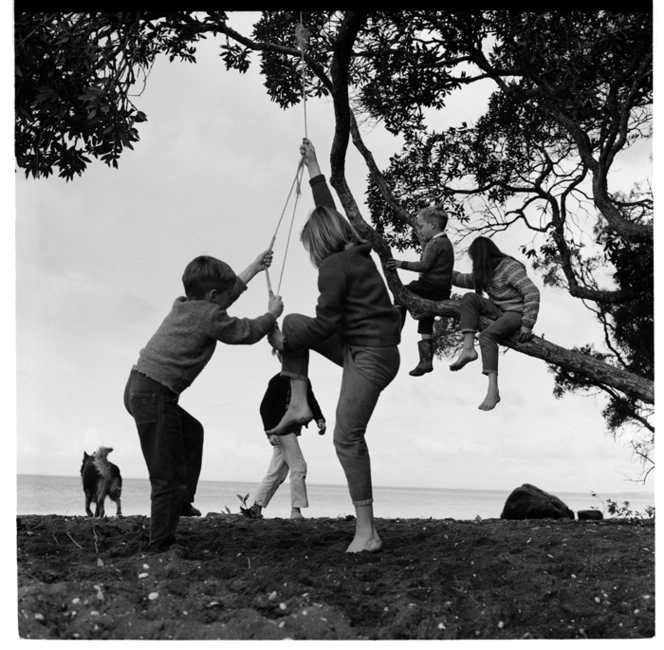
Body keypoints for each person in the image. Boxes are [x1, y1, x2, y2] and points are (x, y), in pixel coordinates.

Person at [266, 138, 401, 553]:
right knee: (292, 319)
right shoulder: (355, 252)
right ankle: (300, 402)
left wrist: (285, 341)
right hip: (358, 344)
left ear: (320, 244)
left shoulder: (333, 267)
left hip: (371, 355)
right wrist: (313, 167)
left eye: (310, 247)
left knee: (346, 437)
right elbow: (329, 210)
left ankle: (368, 532)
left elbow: (326, 322)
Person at [124, 252, 283, 551]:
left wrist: (255, 268)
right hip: (154, 394)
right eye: (222, 295)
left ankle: (182, 501)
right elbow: (245, 332)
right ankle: (159, 546)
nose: (227, 298)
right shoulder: (209, 316)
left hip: (138, 386)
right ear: (212, 296)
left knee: (192, 433)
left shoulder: (185, 306)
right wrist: (271, 315)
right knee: (166, 478)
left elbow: (226, 295)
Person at [449, 236, 540, 411]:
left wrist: (527, 323)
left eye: (474, 259)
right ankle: (468, 348)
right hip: (498, 310)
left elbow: (532, 292)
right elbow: (462, 279)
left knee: (486, 335)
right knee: (469, 298)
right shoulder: (486, 273)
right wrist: (436, 270)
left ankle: (493, 388)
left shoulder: (508, 266)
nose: (473, 263)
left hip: (516, 313)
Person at [243, 365, 326, 520]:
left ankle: (256, 508)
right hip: (281, 430)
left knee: (276, 472)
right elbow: (265, 407)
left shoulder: (303, 381)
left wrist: (319, 419)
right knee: (299, 466)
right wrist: (270, 431)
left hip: (292, 430)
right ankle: (296, 511)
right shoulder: (277, 381)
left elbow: (311, 400)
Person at [386, 205, 454, 376]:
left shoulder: (436, 243)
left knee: (401, 293)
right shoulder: (445, 242)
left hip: (430, 288)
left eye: (422, 226)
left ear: (432, 225)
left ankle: (395, 331)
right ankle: (426, 361)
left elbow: (424, 266)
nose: (421, 230)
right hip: (442, 291)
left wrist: (401, 264)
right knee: (426, 317)